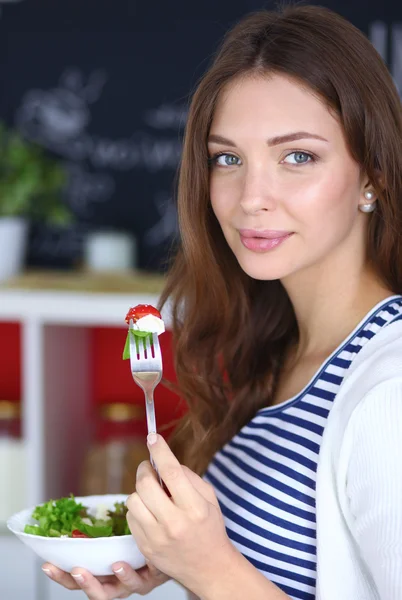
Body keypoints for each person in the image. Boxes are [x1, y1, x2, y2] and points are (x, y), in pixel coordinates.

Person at [42, 3, 402, 599]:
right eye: (227, 158)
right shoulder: (285, 346)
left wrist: (212, 567)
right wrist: (173, 558)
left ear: (373, 177)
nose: (250, 198)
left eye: (298, 157)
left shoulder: (389, 393)